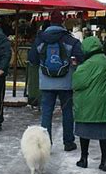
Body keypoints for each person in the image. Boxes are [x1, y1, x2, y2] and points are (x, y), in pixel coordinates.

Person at [28, 10, 84, 151]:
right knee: (67, 112)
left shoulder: (40, 39)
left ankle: (46, 145)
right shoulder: (70, 40)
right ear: (63, 21)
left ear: (50, 21)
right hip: (66, 83)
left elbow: (32, 59)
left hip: (46, 83)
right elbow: (81, 57)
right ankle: (69, 142)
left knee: (46, 114)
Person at [72, 36, 106, 171]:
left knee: (84, 131)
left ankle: (84, 158)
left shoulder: (89, 64)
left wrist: (77, 67)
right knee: (104, 133)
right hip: (105, 104)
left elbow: (77, 83)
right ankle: (104, 160)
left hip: (88, 104)